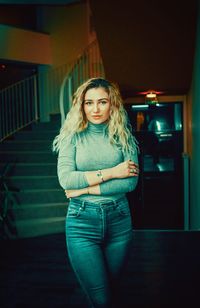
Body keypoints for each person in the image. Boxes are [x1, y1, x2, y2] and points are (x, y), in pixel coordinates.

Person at [53, 77, 139, 307]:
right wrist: (113, 172)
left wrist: (84, 188)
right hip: (82, 223)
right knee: (101, 297)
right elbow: (66, 179)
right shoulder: (71, 137)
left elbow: (130, 183)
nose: (95, 109)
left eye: (102, 102)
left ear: (112, 104)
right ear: (81, 106)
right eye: (88, 103)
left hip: (119, 221)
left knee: (107, 290)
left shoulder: (124, 136)